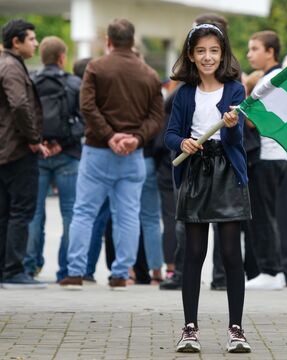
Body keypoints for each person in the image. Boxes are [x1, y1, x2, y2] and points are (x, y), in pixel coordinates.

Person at [165, 23, 251, 353]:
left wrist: (229, 126)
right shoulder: (184, 93)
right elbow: (169, 134)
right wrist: (182, 142)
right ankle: (189, 329)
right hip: (195, 174)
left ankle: (236, 329)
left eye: (214, 50)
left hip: (228, 173)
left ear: (223, 53)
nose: (207, 57)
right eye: (201, 51)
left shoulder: (234, 90)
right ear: (190, 55)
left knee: (231, 254)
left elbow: (235, 138)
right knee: (193, 255)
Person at [59, 18, 164, 290]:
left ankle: (75, 271)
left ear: (108, 40)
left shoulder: (95, 68)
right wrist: (135, 137)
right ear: (132, 40)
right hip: (134, 155)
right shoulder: (149, 74)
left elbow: (87, 106)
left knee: (84, 211)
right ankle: (120, 274)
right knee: (128, 215)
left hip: (97, 151)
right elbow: (156, 117)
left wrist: (109, 135)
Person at [24, 36, 82, 283]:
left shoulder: (30, 81)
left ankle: (30, 267)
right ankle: (65, 270)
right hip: (67, 156)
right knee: (70, 212)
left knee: (34, 213)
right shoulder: (74, 83)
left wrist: (38, 141)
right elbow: (85, 120)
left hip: (36, 155)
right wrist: (63, 142)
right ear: (62, 58)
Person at [0, 19, 50, 288]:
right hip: (17, 150)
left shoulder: (6, 64)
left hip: (6, 149)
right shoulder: (11, 67)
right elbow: (19, 104)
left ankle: (5, 268)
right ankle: (14, 269)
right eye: (31, 38)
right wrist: (33, 139)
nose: (36, 43)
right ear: (16, 42)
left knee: (6, 211)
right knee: (21, 210)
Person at [244, 30, 287, 290]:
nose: (249, 54)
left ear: (270, 52)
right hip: (277, 156)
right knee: (267, 213)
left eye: (255, 48)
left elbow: (254, 120)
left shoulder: (270, 80)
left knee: (264, 215)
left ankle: (271, 271)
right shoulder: (277, 78)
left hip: (268, 155)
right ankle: (272, 271)